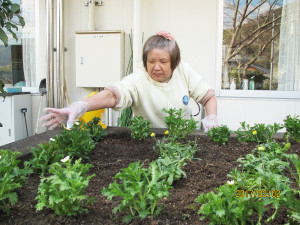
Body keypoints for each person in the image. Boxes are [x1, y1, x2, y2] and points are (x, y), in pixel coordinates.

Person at [40, 31, 218, 131]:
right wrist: (81, 106)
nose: (156, 67)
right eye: (151, 61)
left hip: (182, 139)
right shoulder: (140, 77)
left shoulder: (184, 71)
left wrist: (212, 118)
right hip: (147, 141)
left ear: (175, 62)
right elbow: (113, 95)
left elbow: (208, 97)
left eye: (163, 62)